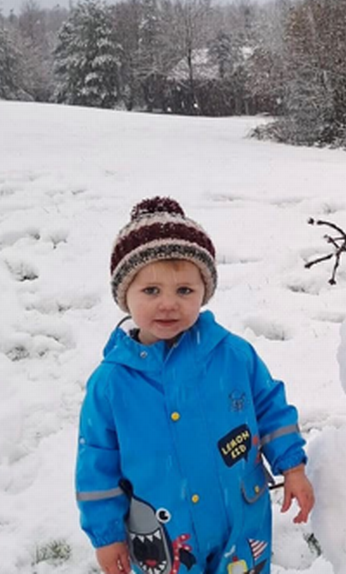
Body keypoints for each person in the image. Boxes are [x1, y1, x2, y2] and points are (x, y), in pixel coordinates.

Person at [75, 196, 314, 574]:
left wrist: (293, 466)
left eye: (184, 290)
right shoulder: (112, 384)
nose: (168, 304)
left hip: (239, 523)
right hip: (165, 541)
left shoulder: (232, 355)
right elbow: (96, 465)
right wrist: (107, 536)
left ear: (204, 292)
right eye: (151, 291)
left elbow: (270, 408)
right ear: (125, 297)